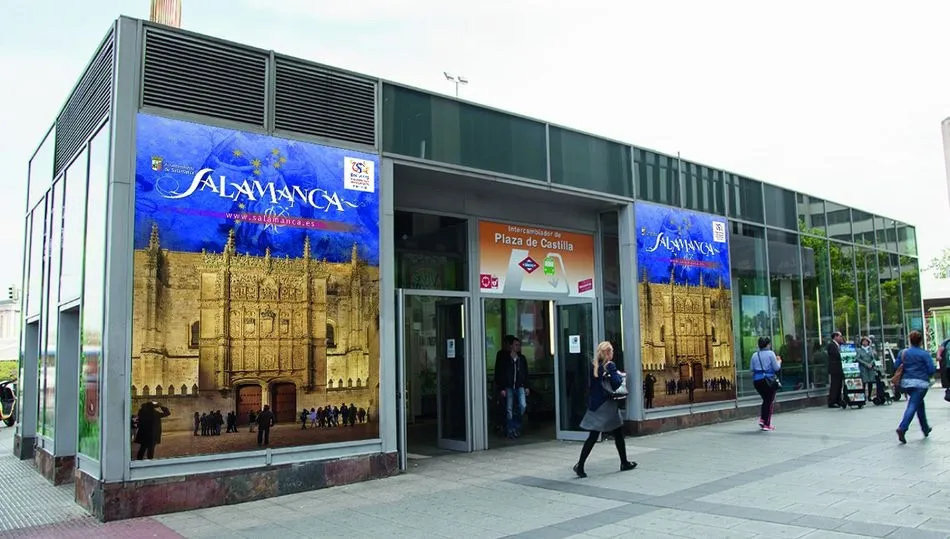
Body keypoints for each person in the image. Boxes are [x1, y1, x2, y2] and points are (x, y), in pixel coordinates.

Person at [573, 341, 637, 478]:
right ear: (608, 352)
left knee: (597, 435)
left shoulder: (594, 365)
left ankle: (581, 465)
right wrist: (619, 375)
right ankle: (623, 463)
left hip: (596, 404)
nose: (613, 353)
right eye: (612, 351)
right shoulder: (610, 365)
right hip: (607, 405)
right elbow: (616, 383)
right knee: (615, 433)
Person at [894, 330, 935, 444]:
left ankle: (925, 428)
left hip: (907, 383)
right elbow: (931, 370)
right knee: (913, 404)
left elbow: (896, 365)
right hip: (921, 383)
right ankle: (903, 427)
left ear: (910, 340)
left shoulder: (904, 352)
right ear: (921, 341)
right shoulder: (924, 354)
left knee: (919, 403)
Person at [494, 335, 530, 439]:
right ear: (511, 346)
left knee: (522, 406)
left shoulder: (522, 359)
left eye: (519, 345)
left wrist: (527, 386)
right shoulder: (506, 359)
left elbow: (525, 373)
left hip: (520, 386)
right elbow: (502, 374)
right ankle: (510, 429)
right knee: (509, 408)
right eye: (516, 345)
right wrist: (501, 388)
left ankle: (516, 426)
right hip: (509, 387)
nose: (518, 347)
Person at [751, 337, 782, 431]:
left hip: (757, 381)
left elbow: (751, 369)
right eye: (769, 344)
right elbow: (776, 368)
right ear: (767, 345)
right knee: (769, 401)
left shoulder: (754, 355)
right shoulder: (770, 353)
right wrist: (779, 361)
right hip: (768, 381)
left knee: (766, 400)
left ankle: (762, 419)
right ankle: (766, 424)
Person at [826, 331, 847, 409]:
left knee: (839, 385)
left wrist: (843, 343)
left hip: (840, 368)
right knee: (835, 385)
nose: (841, 338)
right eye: (840, 336)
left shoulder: (839, 345)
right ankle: (832, 401)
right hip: (835, 368)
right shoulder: (831, 345)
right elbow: (837, 355)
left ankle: (838, 400)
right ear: (835, 336)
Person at [855, 337, 876, 402]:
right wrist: (866, 364)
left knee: (870, 382)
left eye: (866, 341)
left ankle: (869, 396)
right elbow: (858, 358)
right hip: (863, 367)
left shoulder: (871, 349)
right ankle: (863, 396)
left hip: (870, 368)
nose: (865, 342)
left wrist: (871, 363)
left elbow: (874, 358)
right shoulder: (859, 350)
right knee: (864, 382)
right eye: (863, 341)